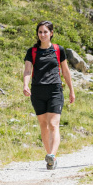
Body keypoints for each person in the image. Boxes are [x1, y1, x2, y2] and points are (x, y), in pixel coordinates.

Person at [22, 21, 76, 169]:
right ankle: (49, 158)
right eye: (40, 32)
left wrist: (71, 90)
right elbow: (28, 71)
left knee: (53, 124)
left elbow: (65, 71)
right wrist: (25, 85)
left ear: (51, 33)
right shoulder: (32, 51)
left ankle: (52, 155)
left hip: (55, 90)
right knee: (43, 125)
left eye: (45, 32)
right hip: (38, 91)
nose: (42, 35)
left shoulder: (59, 50)